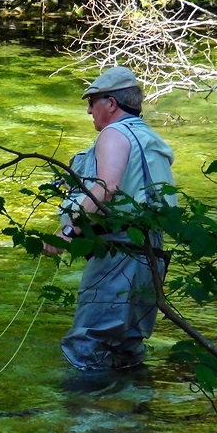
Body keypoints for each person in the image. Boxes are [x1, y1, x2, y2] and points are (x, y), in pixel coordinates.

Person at [47, 66, 177, 371]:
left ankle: (83, 416)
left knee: (87, 344)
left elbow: (106, 187)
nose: (89, 110)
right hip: (151, 251)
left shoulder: (114, 133)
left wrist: (67, 230)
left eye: (92, 102)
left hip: (120, 251)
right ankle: (133, 410)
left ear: (111, 103)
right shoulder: (147, 137)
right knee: (127, 344)